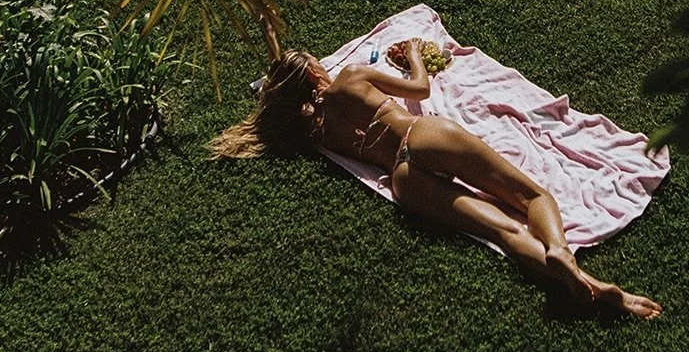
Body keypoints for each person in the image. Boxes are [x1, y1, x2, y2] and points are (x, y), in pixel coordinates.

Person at [210, 32, 662, 319]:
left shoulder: (312, 131)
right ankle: (560, 251)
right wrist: (412, 55)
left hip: (402, 179)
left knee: (505, 232)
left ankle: (589, 286)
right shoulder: (350, 77)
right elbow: (421, 89)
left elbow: (283, 104)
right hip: (421, 137)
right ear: (315, 71)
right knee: (531, 196)